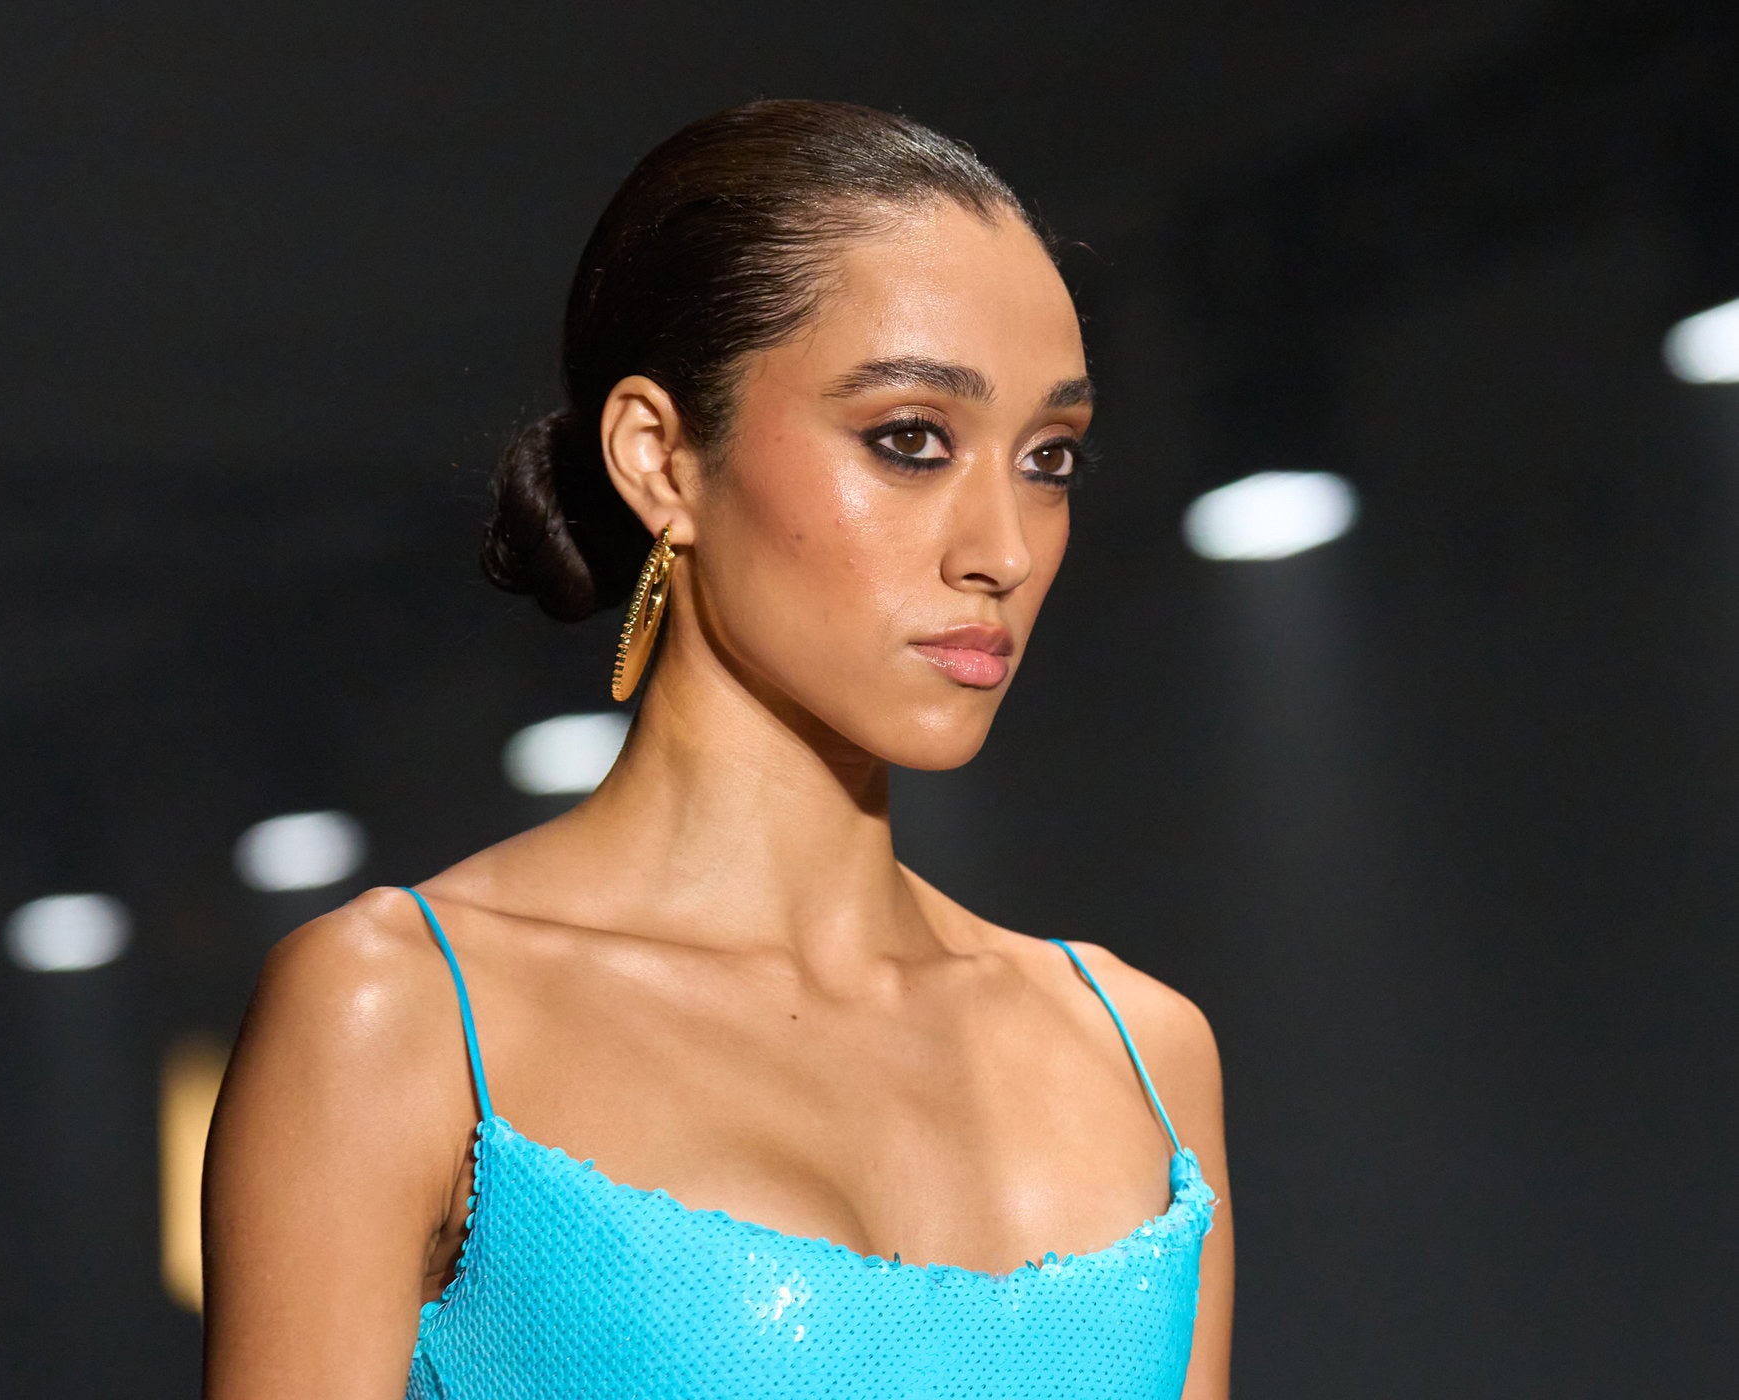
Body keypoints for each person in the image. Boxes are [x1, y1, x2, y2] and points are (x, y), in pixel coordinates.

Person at [201, 98, 1232, 1400]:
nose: (1004, 549)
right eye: (910, 440)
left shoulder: (1138, 1052)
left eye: (1049, 457)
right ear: (660, 458)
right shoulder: (404, 1015)